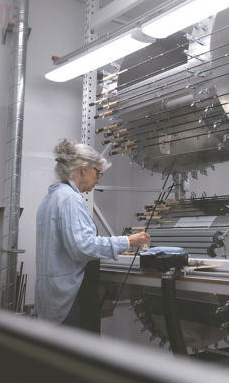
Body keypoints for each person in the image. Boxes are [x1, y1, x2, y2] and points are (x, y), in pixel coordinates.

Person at [35, 139, 149, 332]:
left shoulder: (51, 198)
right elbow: (83, 247)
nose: (98, 180)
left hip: (52, 294)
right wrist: (128, 241)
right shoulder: (70, 199)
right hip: (68, 298)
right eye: (98, 173)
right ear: (84, 170)